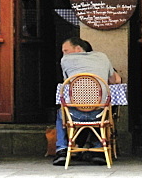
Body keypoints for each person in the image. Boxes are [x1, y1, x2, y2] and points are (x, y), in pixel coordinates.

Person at [52, 36, 121, 166]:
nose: (64, 54)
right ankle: (98, 150)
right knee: (105, 109)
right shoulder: (102, 57)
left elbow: (67, 83)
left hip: (74, 115)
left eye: (66, 50)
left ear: (78, 49)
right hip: (99, 115)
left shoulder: (65, 60)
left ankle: (62, 150)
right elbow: (114, 81)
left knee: (61, 113)